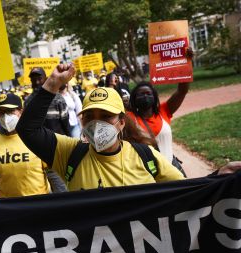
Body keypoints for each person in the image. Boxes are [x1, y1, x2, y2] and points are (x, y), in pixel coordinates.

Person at [16, 63, 241, 191]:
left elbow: (188, 191)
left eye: (106, 116)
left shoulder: (146, 156)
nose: (97, 123)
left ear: (122, 121)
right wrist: (53, 83)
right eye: (90, 117)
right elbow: (27, 130)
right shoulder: (69, 154)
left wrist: (219, 176)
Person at [0, 93, 50, 197]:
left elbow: (53, 174)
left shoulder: (37, 136)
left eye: (10, 111)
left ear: (21, 111)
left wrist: (60, 201)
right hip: (9, 206)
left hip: (38, 203)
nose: (5, 117)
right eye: (1, 113)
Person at [127, 81, 188, 166]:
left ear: (154, 97)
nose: (145, 96)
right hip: (145, 173)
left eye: (148, 93)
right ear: (134, 98)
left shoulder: (164, 111)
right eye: (141, 94)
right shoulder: (128, 118)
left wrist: (183, 72)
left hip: (170, 169)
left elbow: (182, 91)